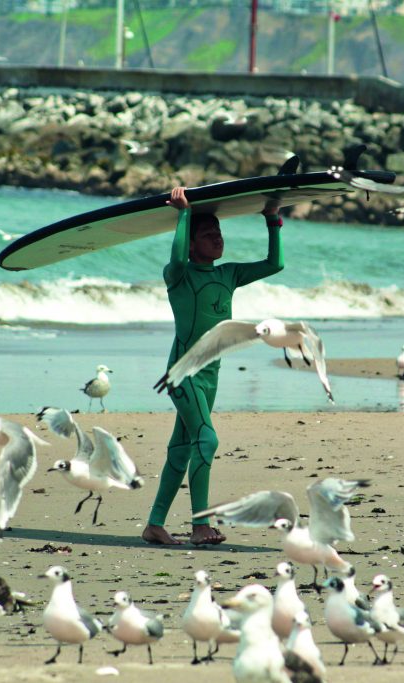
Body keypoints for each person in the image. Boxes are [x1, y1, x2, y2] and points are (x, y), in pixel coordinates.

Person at [141, 186, 284, 546]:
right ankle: (200, 525)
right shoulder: (179, 276)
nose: (217, 239)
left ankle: (155, 525)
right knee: (207, 438)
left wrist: (272, 220)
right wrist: (183, 214)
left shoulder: (229, 275)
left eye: (218, 233)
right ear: (191, 245)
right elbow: (176, 259)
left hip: (211, 374)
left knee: (182, 449)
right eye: (207, 235)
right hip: (183, 372)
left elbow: (275, 264)